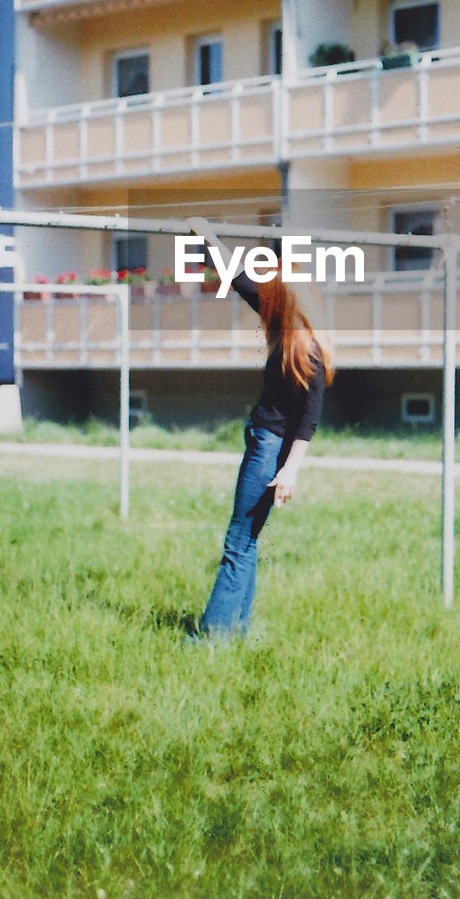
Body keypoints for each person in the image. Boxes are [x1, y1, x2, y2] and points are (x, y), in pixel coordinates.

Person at [186, 218, 335, 640]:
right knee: (247, 541)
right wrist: (208, 238)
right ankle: (237, 630)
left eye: (270, 287)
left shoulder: (306, 348)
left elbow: (309, 419)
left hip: (268, 449)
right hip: (265, 443)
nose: (262, 293)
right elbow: (237, 279)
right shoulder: (286, 327)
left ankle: (211, 637)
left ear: (285, 296)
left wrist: (289, 470)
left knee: (237, 543)